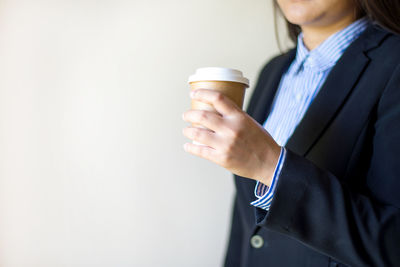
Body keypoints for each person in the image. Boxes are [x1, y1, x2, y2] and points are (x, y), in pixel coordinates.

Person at [182, 0, 400, 266]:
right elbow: (247, 226)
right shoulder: (273, 71)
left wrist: (269, 165)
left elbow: (392, 242)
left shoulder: (394, 64)